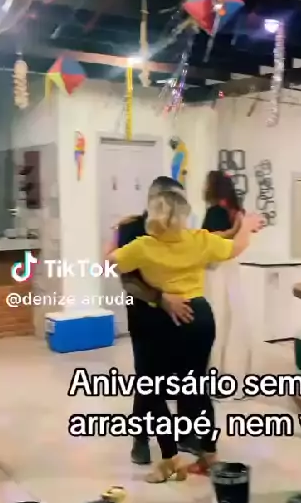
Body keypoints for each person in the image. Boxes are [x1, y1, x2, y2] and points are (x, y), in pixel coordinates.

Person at [108, 183, 263, 483]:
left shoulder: (143, 246)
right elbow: (236, 247)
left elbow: (112, 262)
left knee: (154, 390)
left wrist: (118, 236)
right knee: (196, 386)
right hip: (199, 318)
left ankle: (171, 460)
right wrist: (245, 227)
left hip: (163, 320)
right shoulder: (198, 240)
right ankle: (209, 455)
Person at [117, 176, 195, 466]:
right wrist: (161, 298)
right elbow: (128, 280)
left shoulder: (181, 229)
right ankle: (140, 438)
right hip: (144, 314)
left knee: (184, 376)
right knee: (148, 379)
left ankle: (184, 433)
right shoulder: (132, 229)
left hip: (180, 314)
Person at [202, 171, 252, 386]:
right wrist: (236, 229)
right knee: (231, 319)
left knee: (216, 320)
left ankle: (214, 373)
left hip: (216, 269)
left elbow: (210, 238)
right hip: (231, 268)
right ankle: (231, 373)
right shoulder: (236, 211)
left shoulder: (215, 211)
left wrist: (231, 231)